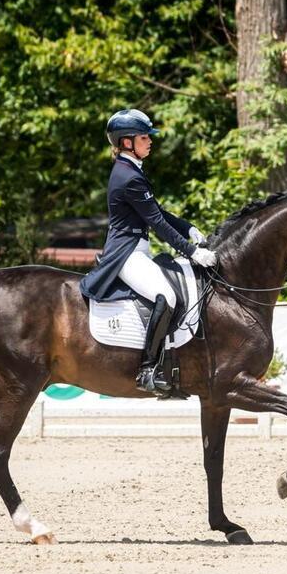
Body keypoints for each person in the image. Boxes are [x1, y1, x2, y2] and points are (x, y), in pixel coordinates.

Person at [80, 109, 217, 395]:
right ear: (127, 142)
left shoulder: (131, 170)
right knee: (165, 297)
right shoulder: (127, 176)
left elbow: (157, 212)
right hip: (126, 253)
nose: (150, 141)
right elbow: (155, 222)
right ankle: (148, 369)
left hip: (137, 249)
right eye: (144, 137)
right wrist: (192, 251)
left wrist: (188, 227)